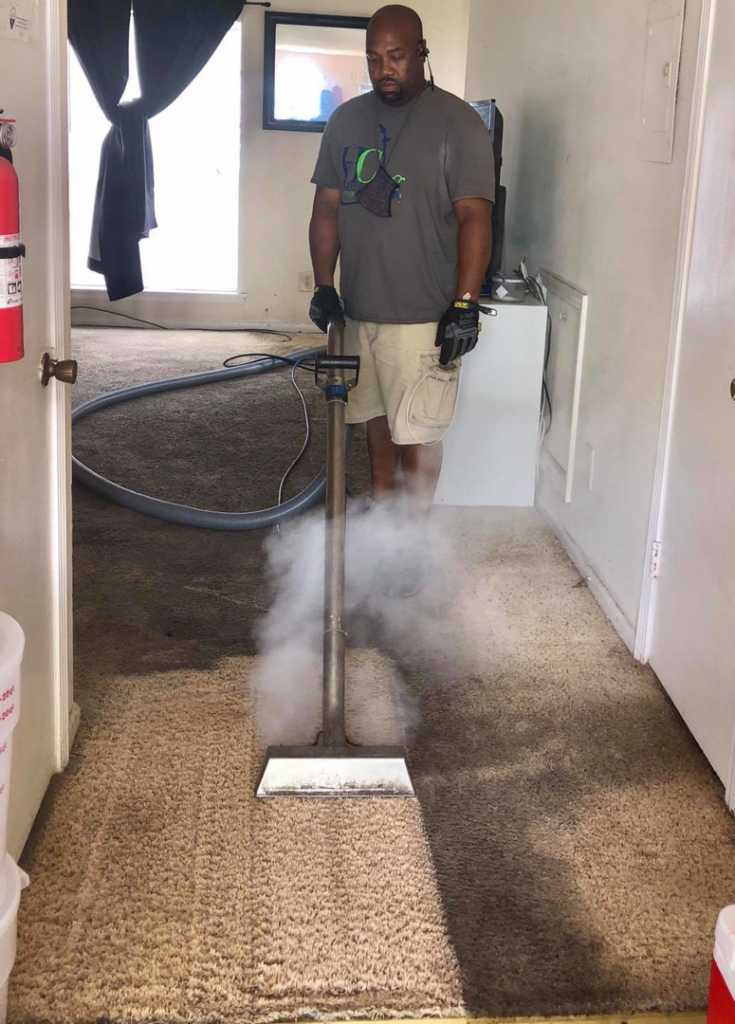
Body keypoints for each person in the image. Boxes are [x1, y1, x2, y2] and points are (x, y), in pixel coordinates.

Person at [308, 4, 495, 519]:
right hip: (360, 308)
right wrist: (325, 286)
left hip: (422, 314)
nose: (383, 69)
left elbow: (476, 217)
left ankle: (415, 546)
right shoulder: (346, 120)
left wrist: (466, 303)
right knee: (373, 422)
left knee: (417, 434)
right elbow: (326, 208)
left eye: (395, 56)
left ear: (421, 53)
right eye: (373, 59)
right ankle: (382, 535)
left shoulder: (457, 124)